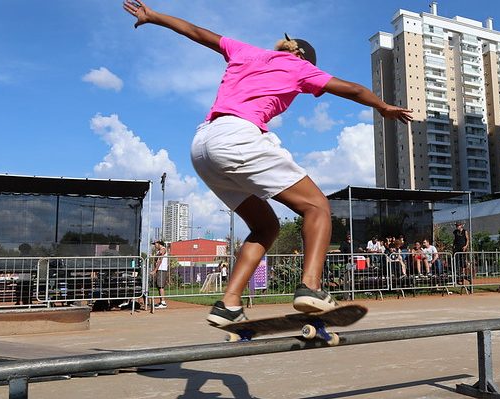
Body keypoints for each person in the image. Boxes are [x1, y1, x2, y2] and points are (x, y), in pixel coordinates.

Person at [122, 1, 413, 327]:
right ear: (302, 56)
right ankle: (311, 288)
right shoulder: (301, 67)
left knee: (265, 227)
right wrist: (384, 107)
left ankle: (229, 303)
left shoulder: (245, 51)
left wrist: (154, 16)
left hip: (203, 146)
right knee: (317, 206)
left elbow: (197, 32)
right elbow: (354, 89)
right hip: (237, 138)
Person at [151, 240, 169, 309]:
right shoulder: (159, 251)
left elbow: (160, 259)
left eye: (155, 244)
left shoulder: (163, 249)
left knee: (161, 286)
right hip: (159, 270)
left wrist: (155, 270)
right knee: (159, 286)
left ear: (159, 244)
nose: (154, 246)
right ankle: (161, 301)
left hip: (162, 269)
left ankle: (163, 303)